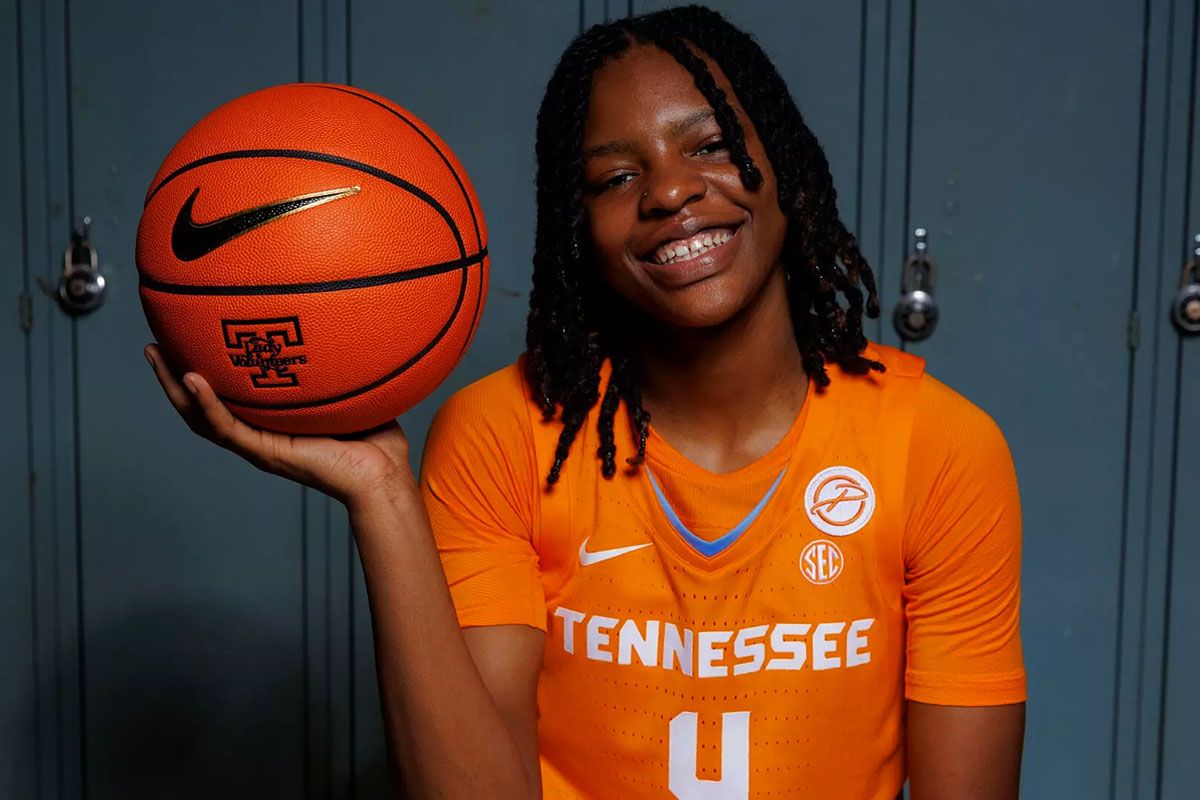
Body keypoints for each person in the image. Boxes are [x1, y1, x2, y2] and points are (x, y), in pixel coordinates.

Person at [145, 5, 1025, 798]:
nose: (670, 191)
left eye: (709, 145)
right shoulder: (502, 434)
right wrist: (380, 494)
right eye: (614, 178)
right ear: (579, 230)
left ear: (787, 169)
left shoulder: (938, 447)